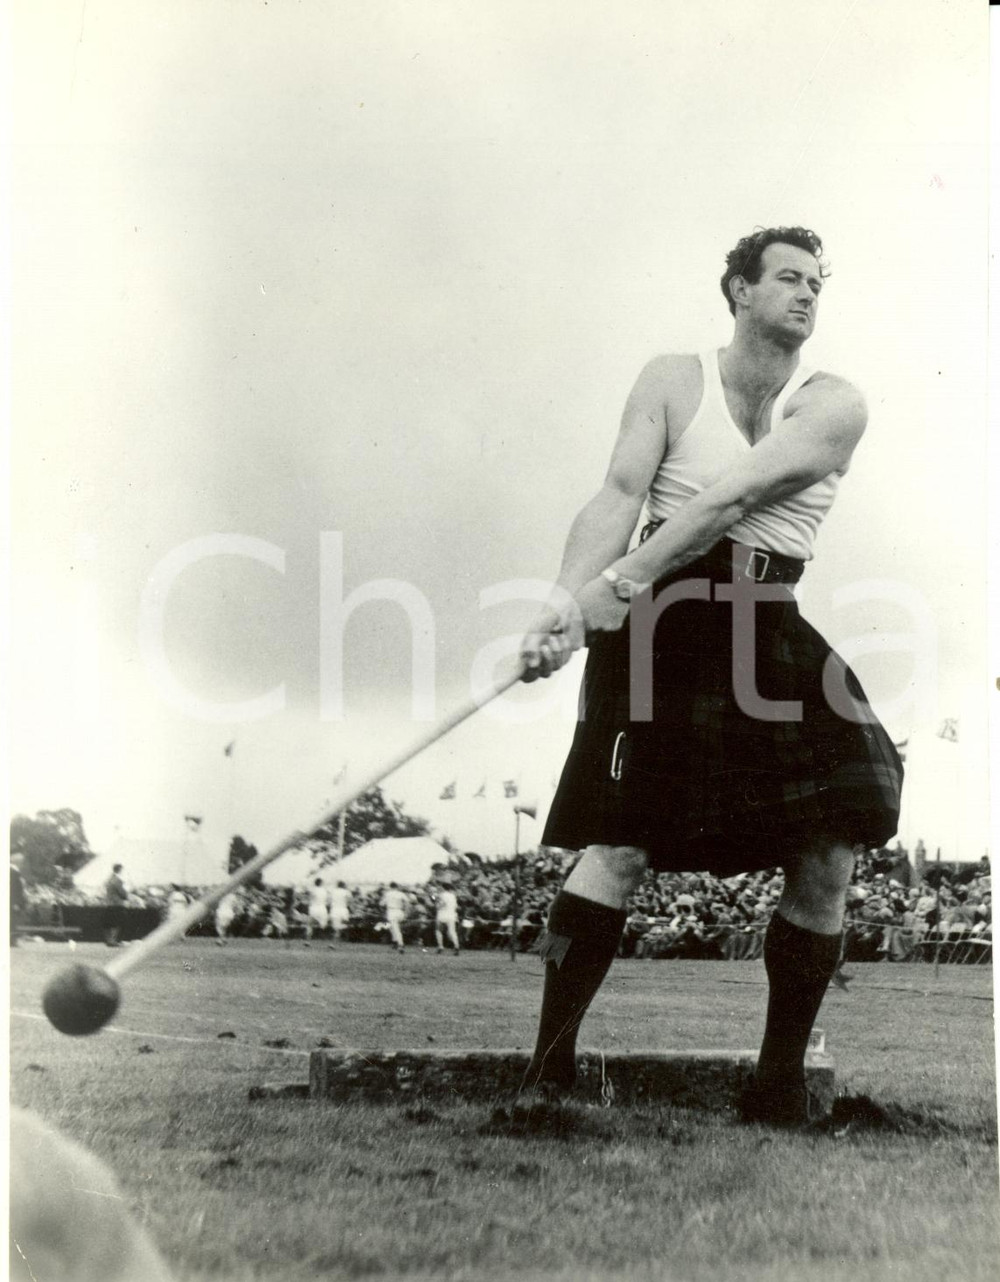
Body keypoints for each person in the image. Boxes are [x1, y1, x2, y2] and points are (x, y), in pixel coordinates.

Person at [515, 226, 903, 1128]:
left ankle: (777, 1090)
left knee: (833, 839)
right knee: (620, 844)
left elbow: (730, 499)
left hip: (765, 617)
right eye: (788, 278)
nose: (807, 294)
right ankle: (547, 1073)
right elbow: (619, 496)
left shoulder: (833, 402)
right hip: (663, 621)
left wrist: (614, 585)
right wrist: (561, 608)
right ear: (738, 289)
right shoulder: (671, 379)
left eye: (817, 283)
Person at [103, 863, 129, 948]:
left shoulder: (109, 879)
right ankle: (114, 941)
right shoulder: (118, 880)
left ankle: (109, 940)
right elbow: (122, 893)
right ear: (120, 870)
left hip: (109, 903)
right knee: (118, 922)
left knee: (109, 923)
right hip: (117, 904)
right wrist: (127, 895)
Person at [433, 881, 461, 954]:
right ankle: (456, 945)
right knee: (452, 931)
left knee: (438, 930)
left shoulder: (441, 895)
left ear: (443, 888)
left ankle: (440, 946)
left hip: (442, 914)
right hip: (451, 914)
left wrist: (436, 904)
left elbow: (439, 905)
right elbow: (456, 906)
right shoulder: (453, 896)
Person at [383, 881, 408, 953]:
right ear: (397, 887)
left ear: (390, 887)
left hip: (391, 911)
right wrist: (406, 913)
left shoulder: (387, 894)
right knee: (391, 927)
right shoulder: (401, 894)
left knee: (395, 929)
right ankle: (394, 942)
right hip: (400, 911)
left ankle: (401, 944)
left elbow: (382, 903)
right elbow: (407, 903)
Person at [306, 877, 330, 942]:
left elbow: (310, 898)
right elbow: (327, 900)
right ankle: (323, 937)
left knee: (310, 924)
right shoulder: (325, 890)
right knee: (323, 925)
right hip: (322, 908)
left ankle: (308, 939)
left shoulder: (313, 890)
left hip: (313, 908)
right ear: (321, 883)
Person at [10, 852, 26, 946]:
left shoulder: (14, 871)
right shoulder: (13, 872)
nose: (23, 863)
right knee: (13, 921)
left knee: (13, 920)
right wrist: (14, 903)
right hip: (14, 901)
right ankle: (12, 941)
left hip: (15, 901)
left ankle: (12, 940)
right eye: (22, 861)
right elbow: (13, 889)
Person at [329, 879, 352, 946]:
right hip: (343, 910)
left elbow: (329, 900)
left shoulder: (333, 891)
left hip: (334, 910)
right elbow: (350, 901)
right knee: (344, 925)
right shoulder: (346, 892)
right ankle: (338, 941)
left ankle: (334, 942)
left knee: (336, 927)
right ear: (344, 885)